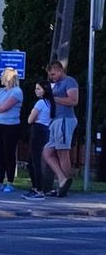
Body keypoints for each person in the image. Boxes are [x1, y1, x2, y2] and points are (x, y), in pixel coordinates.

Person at [43, 60, 80, 197]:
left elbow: (73, 101)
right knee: (47, 153)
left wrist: (53, 98)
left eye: (53, 74)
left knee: (63, 153)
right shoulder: (56, 84)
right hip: (56, 120)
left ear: (59, 70)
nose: (51, 77)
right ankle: (62, 179)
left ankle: (66, 184)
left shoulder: (69, 82)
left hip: (65, 119)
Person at [23, 78, 55, 200]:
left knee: (34, 162)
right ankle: (36, 188)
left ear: (45, 90)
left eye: (38, 89)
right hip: (46, 129)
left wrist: (33, 118)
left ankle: (39, 189)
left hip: (38, 130)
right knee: (33, 161)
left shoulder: (40, 103)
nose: (36, 91)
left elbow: (30, 119)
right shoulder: (50, 103)